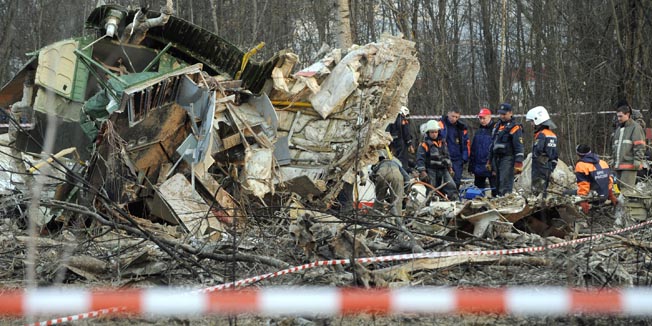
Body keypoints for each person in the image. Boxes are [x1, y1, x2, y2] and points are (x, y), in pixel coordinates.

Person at [415, 120, 458, 200]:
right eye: (432, 132)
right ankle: (429, 203)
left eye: (435, 132)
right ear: (428, 132)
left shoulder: (443, 142)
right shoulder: (424, 144)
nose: (434, 134)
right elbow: (420, 159)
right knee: (431, 187)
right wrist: (422, 171)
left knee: (451, 185)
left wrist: (450, 167)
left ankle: (454, 201)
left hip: (443, 169)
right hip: (431, 169)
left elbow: (447, 155)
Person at [488, 103, 524, 196]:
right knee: (497, 183)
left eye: (504, 114)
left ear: (510, 113)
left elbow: (519, 146)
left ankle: (506, 199)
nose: (502, 116)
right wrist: (489, 160)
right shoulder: (497, 126)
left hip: (508, 158)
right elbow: (493, 144)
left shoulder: (515, 127)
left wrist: (518, 162)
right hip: (496, 158)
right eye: (500, 114)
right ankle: (498, 199)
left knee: (505, 182)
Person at [612, 100, 646, 195]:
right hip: (619, 165)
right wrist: (614, 160)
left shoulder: (636, 127)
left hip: (629, 165)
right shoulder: (619, 129)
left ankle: (628, 209)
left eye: (620, 116)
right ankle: (620, 208)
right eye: (617, 116)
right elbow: (615, 146)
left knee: (626, 192)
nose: (618, 119)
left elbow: (640, 145)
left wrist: (637, 160)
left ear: (627, 114)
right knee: (617, 189)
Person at [574, 144, 618, 213]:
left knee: (566, 193)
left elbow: (583, 184)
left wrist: (582, 200)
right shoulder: (603, 162)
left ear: (578, 154)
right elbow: (609, 180)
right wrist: (611, 194)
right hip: (605, 194)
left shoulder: (581, 165)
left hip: (593, 197)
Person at [525, 106, 559, 197]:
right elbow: (555, 155)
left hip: (539, 167)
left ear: (537, 120)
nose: (531, 124)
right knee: (544, 192)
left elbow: (537, 151)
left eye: (532, 121)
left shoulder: (541, 135)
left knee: (537, 192)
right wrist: (551, 168)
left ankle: (539, 210)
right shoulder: (552, 135)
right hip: (548, 167)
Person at [370, 149, 410, 217]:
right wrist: (404, 192)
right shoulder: (396, 163)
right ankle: (397, 220)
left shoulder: (380, 164)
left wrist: (377, 185)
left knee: (379, 198)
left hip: (382, 174)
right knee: (397, 199)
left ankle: (376, 217)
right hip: (396, 175)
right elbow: (407, 179)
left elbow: (371, 175)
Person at [439, 107, 470, 189]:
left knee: (457, 180)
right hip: (444, 157)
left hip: (457, 157)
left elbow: (466, 143)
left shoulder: (461, 127)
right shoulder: (441, 125)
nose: (454, 119)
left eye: (456, 117)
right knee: (444, 180)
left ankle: (454, 196)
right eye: (453, 116)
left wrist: (464, 157)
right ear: (448, 113)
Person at [469, 107, 496, 194]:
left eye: (484, 118)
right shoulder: (478, 131)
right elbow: (474, 149)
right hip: (478, 167)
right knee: (478, 192)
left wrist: (495, 166)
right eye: (480, 118)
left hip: (490, 166)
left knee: (495, 190)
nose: (482, 120)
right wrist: (471, 165)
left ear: (489, 117)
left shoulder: (495, 130)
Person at [386, 106, 414, 172]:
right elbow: (406, 133)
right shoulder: (403, 121)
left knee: (394, 159)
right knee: (403, 161)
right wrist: (409, 144)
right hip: (402, 143)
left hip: (393, 143)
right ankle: (403, 175)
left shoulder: (391, 120)